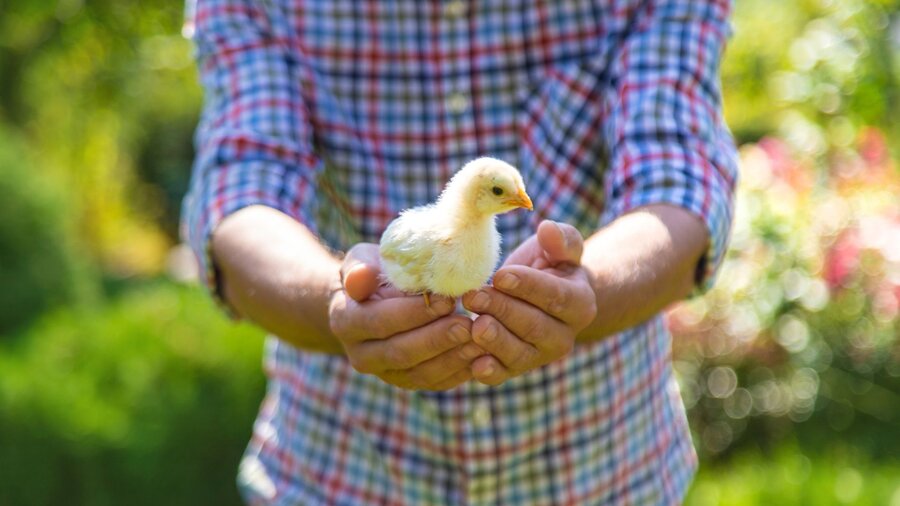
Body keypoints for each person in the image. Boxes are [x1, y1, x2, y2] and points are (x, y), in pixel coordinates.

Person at [182, 0, 737, 503]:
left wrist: (591, 284)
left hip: (602, 466)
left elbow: (679, 178)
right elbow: (241, 188)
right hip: (346, 468)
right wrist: (341, 298)